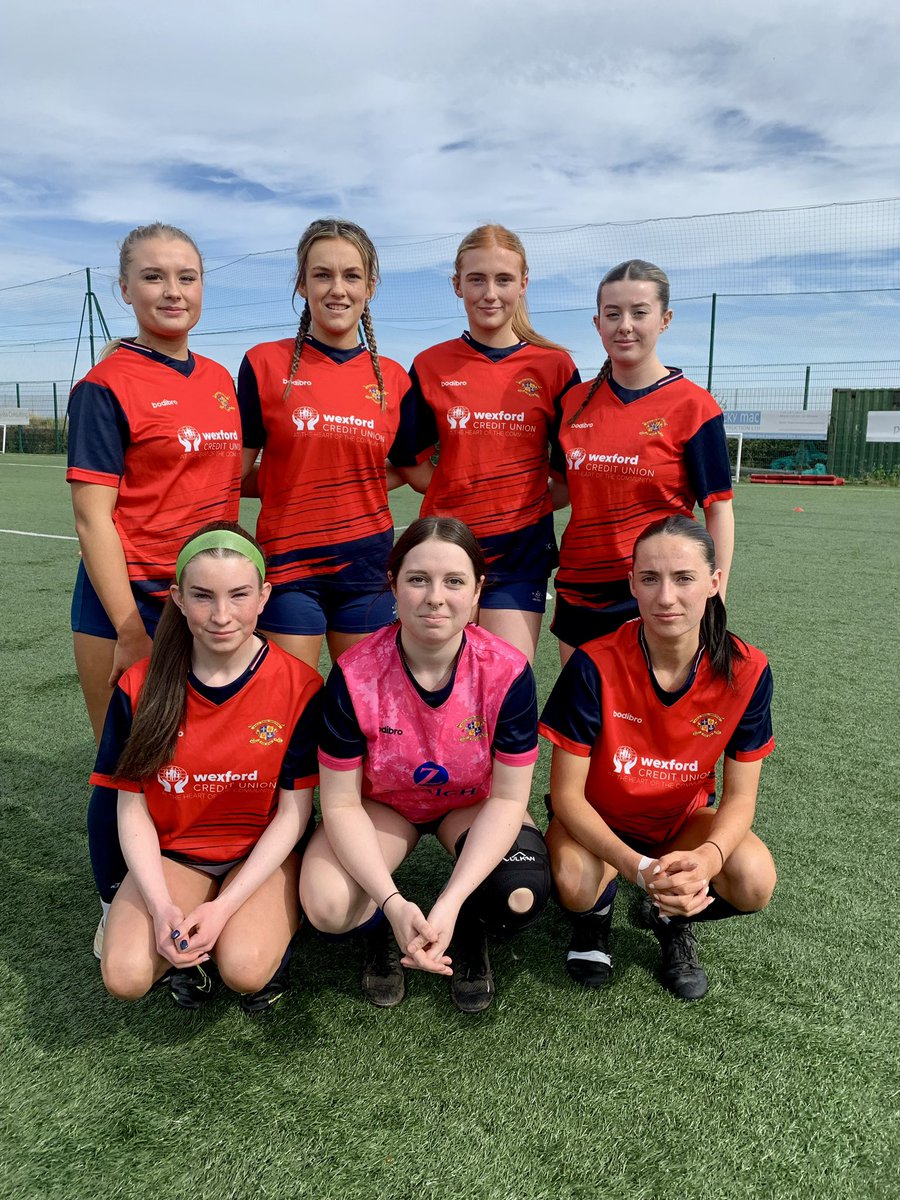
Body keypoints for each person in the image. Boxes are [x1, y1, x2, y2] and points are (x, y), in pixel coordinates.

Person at [299, 516, 550, 1013]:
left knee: (520, 894)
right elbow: (342, 802)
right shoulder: (355, 673)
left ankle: (467, 926)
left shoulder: (508, 671)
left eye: (454, 581)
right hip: (385, 807)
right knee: (327, 906)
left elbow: (507, 798)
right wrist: (393, 903)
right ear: (393, 585)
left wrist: (452, 901)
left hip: (472, 806)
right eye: (418, 579)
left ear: (478, 591)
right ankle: (381, 928)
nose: (436, 596)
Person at [539, 515, 776, 1001]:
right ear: (632, 584)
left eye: (683, 578)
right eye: (650, 578)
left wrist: (706, 861)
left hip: (677, 824)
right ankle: (596, 917)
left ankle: (671, 917)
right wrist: (636, 868)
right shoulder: (594, 662)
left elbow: (741, 798)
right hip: (598, 821)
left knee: (753, 879)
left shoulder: (747, 669)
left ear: (713, 584)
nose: (666, 596)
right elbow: (565, 796)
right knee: (575, 881)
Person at [90, 523, 322, 1014]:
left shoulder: (299, 686)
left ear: (264, 597)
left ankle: (250, 931)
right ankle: (193, 925)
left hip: (261, 855)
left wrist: (223, 907)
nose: (221, 615)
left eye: (239, 595)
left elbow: (294, 814)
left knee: (244, 969)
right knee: (125, 976)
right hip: (178, 857)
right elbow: (130, 810)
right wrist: (160, 907)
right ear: (176, 597)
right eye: (202, 596)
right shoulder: (140, 685)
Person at [67, 223, 241, 743]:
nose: (173, 291)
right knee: (125, 760)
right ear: (124, 289)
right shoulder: (103, 387)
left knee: (202, 757)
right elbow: (91, 516)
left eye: (186, 277)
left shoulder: (219, 379)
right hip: (130, 603)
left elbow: (223, 475)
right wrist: (129, 629)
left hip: (210, 599)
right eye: (152, 276)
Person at [237, 218, 427, 670]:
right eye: (322, 274)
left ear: (371, 287)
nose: (337, 289)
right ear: (302, 284)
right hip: (289, 566)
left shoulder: (396, 380)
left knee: (362, 709)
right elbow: (232, 476)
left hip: (367, 567)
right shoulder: (263, 363)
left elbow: (415, 473)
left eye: (351, 275)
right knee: (290, 703)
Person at [394, 224, 580, 663]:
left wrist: (519, 502)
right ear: (457, 284)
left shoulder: (554, 366)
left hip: (521, 549)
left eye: (503, 280)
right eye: (476, 279)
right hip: (446, 550)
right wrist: (459, 493)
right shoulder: (429, 364)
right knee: (434, 682)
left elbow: (568, 473)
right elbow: (413, 465)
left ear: (524, 284)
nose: (489, 293)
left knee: (506, 682)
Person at [551, 259, 734, 665]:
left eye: (639, 312)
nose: (625, 325)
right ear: (597, 322)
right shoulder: (573, 403)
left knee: (655, 721)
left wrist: (713, 596)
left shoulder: (694, 406)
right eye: (613, 314)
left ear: (665, 319)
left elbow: (718, 508)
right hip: (581, 589)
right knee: (588, 720)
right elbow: (560, 491)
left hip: (659, 591)